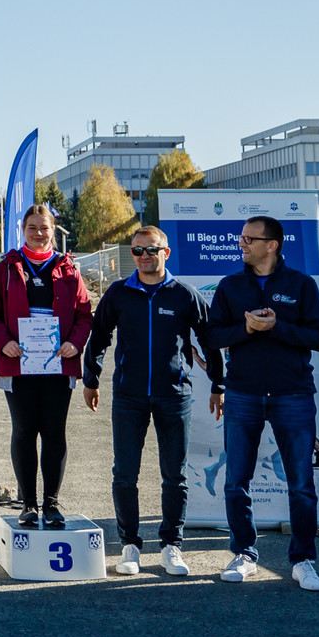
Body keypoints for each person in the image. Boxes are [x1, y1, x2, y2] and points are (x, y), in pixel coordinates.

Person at [83, 225, 222, 576]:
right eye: (137, 250)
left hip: (174, 396)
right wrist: (91, 379)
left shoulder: (184, 295)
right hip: (128, 396)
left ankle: (171, 545)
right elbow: (98, 337)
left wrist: (219, 384)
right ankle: (129, 545)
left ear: (166, 253)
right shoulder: (118, 293)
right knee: (124, 474)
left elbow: (209, 340)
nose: (144, 256)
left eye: (151, 250)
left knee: (174, 475)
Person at [208, 215, 319, 591]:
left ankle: (303, 560)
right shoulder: (230, 285)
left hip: (293, 394)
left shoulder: (301, 284)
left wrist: (277, 327)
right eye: (242, 238)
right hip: (242, 394)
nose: (241, 244)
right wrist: (246, 328)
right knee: (236, 482)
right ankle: (244, 554)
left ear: (271, 245)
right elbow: (213, 336)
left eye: (249, 239)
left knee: (301, 484)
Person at [0, 204, 92, 529]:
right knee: (25, 430)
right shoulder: (6, 268)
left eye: (44, 228)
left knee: (54, 431)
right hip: (18, 364)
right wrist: (3, 341)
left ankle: (52, 504)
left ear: (53, 231)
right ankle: (28, 504)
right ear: (23, 230)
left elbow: (84, 314)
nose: (39, 233)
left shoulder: (68, 269)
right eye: (32, 227)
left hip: (58, 363)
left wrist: (75, 343)